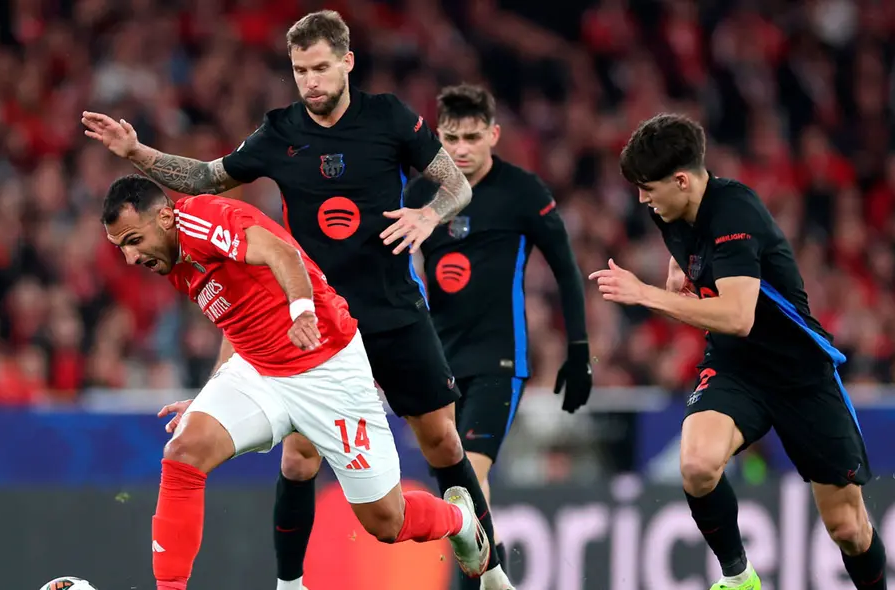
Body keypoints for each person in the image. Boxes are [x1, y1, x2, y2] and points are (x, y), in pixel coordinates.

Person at [82, 10, 513, 590]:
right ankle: (288, 584)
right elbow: (209, 179)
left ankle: (479, 548)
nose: (309, 80)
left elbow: (454, 182)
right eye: (298, 70)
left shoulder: (386, 117)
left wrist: (429, 214)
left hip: (357, 328)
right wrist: (139, 153)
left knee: (419, 470)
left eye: (319, 67)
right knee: (217, 454)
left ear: (346, 62)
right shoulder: (277, 136)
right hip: (283, 344)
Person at [101, 175, 491, 590]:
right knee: (183, 450)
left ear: (164, 217)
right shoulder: (170, 257)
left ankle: (459, 519)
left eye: (132, 240)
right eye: (121, 246)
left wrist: (302, 310)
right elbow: (237, 319)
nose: (129, 257)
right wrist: (210, 395)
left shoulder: (200, 218)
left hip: (328, 369)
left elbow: (282, 253)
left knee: (387, 521)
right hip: (260, 370)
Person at [590, 113, 886, 590]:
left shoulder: (736, 214)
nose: (641, 199)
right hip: (736, 367)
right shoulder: (668, 209)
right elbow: (692, 258)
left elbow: (738, 317)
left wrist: (646, 294)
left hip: (799, 373)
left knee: (848, 530)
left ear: (681, 180)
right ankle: (740, 578)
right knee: (697, 465)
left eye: (648, 187)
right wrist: (677, 273)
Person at [403, 83, 592, 585]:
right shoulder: (420, 194)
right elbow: (393, 272)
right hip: (436, 363)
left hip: (497, 360)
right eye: (450, 138)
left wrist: (578, 349)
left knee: (472, 478)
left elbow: (567, 271)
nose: (461, 149)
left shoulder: (523, 193)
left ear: (494, 135)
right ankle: (494, 576)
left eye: (471, 137)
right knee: (452, 492)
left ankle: (488, 579)